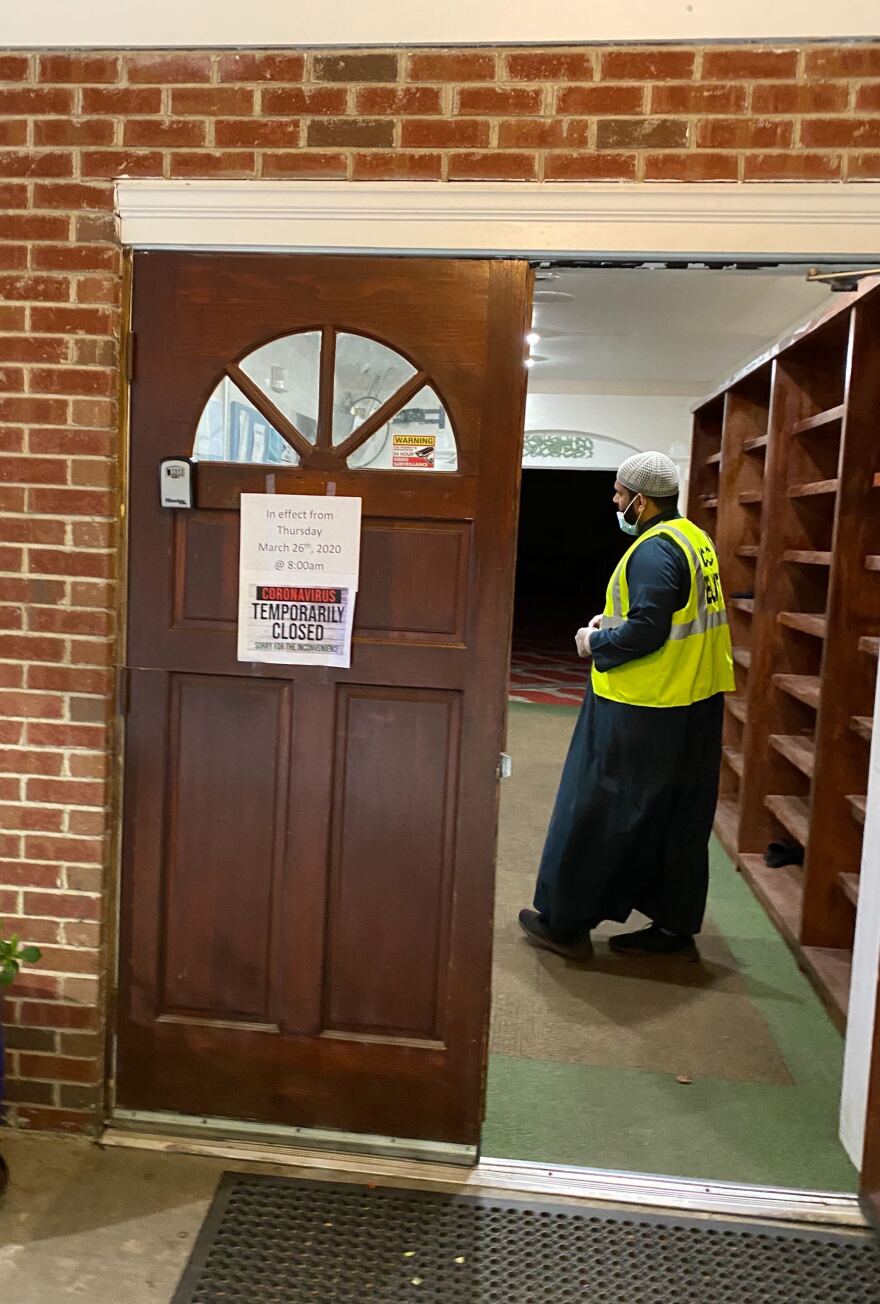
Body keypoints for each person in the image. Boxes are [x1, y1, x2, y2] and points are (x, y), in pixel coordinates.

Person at [518, 451, 735, 963]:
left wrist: (596, 641)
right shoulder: (695, 539)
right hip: (694, 702)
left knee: (597, 810)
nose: (615, 503)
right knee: (677, 816)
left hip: (643, 704)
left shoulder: (655, 550)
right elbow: (668, 612)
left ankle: (565, 924)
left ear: (640, 499)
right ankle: (674, 927)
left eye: (619, 494)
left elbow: (647, 629)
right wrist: (613, 619)